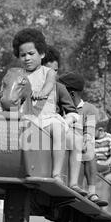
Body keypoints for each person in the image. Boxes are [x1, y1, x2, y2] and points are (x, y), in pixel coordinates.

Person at [12, 28, 77, 184]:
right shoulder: (18, 75)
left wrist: (42, 93)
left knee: (58, 129)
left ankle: (56, 174)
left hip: (46, 118)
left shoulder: (48, 72)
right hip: (27, 117)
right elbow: (11, 93)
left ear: (41, 54)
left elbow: (48, 85)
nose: (27, 58)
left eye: (31, 53)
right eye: (23, 55)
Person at [59, 72, 108, 206]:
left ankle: (92, 191)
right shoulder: (60, 107)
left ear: (71, 93)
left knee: (89, 149)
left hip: (79, 145)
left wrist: (86, 140)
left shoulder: (89, 109)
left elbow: (90, 131)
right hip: (61, 140)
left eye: (61, 91)